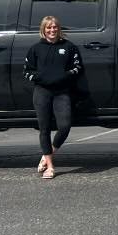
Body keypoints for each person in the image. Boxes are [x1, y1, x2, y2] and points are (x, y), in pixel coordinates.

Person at [24, 15, 83, 179]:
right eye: (48, 27)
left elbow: (78, 68)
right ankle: (50, 167)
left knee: (64, 126)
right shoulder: (36, 48)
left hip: (61, 92)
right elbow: (27, 71)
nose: (52, 30)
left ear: (59, 29)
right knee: (44, 129)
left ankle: (48, 152)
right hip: (42, 92)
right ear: (43, 30)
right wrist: (39, 78)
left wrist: (64, 76)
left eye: (55, 27)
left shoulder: (69, 47)